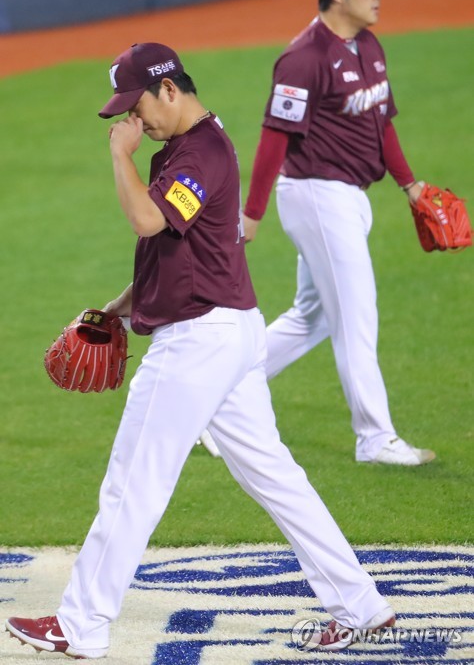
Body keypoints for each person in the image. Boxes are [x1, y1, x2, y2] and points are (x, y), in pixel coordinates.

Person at [5, 41, 395, 657]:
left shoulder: (198, 154)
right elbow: (172, 256)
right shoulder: (187, 149)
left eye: (135, 109)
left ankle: (80, 625)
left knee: (131, 483)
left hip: (198, 344)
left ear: (169, 89)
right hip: (228, 335)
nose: (132, 123)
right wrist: (116, 308)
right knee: (277, 479)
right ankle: (362, 606)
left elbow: (147, 223)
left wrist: (118, 157)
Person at [243, 0, 436, 467]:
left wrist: (409, 185)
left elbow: (383, 121)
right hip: (315, 196)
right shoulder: (303, 57)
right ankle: (374, 438)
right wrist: (251, 215)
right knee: (356, 316)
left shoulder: (369, 45)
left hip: (351, 198)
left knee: (313, 317)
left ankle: (220, 392)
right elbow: (273, 138)